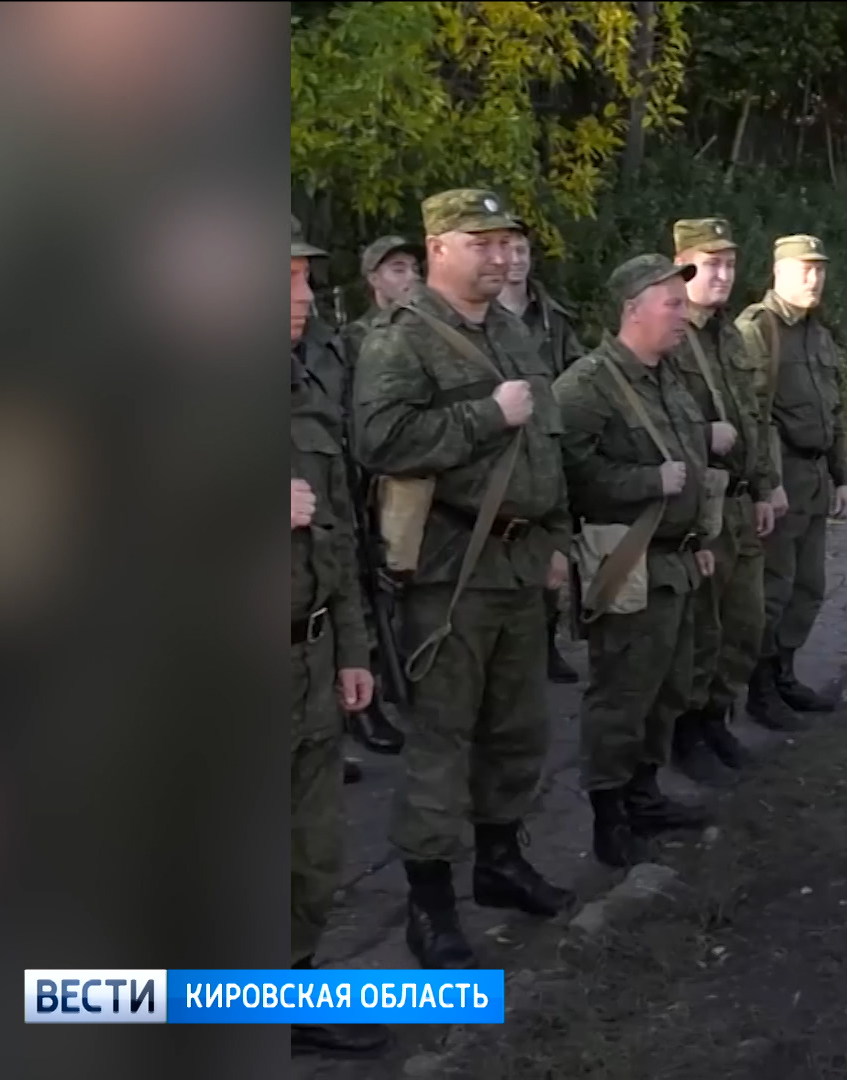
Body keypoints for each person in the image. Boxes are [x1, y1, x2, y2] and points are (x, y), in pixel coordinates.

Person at [353, 189, 576, 970]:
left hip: (519, 562)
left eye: (504, 242)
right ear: (437, 246)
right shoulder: (403, 337)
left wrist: (552, 539)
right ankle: (430, 903)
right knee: (443, 739)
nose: (498, 255)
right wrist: (487, 415)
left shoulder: (513, 331)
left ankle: (500, 860)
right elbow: (380, 439)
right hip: (450, 570)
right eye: (479, 243)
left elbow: (546, 449)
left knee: (519, 729)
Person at [554, 254, 717, 868]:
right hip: (627, 565)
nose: (683, 315)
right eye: (671, 304)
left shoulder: (669, 376)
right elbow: (568, 476)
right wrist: (646, 480)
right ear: (632, 310)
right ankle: (609, 813)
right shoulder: (587, 385)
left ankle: (644, 792)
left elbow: (691, 464)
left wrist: (700, 535)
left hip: (674, 562)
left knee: (667, 688)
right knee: (621, 693)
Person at [288, 216, 389, 1057]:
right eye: (283, 281)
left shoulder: (310, 381)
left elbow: (340, 534)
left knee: (313, 855)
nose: (303, 296)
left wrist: (353, 650)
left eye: (303, 279)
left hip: (311, 651)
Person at [662, 217, 779, 784]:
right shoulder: (668, 333)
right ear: (682, 265)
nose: (723, 275)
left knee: (744, 621)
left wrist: (762, 485)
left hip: (737, 503)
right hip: (695, 507)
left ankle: (717, 714)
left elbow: (754, 417)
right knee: (699, 628)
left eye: (729, 264)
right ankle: (688, 731)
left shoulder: (729, 334)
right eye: (711, 264)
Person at [737, 234, 847, 730]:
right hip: (780, 474)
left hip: (813, 476)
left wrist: (842, 478)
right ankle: (757, 687)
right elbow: (752, 414)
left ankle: (783, 673)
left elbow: (834, 410)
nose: (813, 278)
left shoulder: (816, 332)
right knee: (774, 588)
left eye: (819, 269)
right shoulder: (758, 329)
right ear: (777, 273)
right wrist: (768, 482)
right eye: (803, 269)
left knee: (809, 586)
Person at [494, 219, 588, 684]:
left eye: (522, 250)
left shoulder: (553, 317)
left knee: (552, 547)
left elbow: (577, 374)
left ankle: (547, 641)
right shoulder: (478, 318)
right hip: (501, 447)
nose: (514, 259)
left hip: (550, 444)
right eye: (506, 249)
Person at [340, 235, 423, 364]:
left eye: (415, 269)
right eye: (399, 270)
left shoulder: (425, 324)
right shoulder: (358, 335)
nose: (413, 277)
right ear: (374, 279)